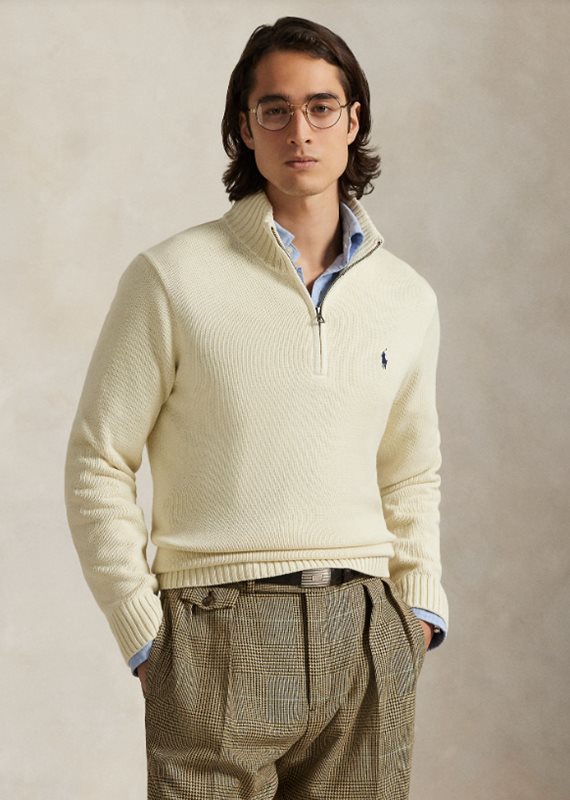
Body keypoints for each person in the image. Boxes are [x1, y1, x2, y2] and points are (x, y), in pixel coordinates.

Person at [65, 16, 448, 800]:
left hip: (367, 631)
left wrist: (415, 617)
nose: (299, 131)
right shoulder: (171, 278)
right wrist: (146, 635)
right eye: (275, 110)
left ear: (353, 120)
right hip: (214, 627)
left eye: (321, 107)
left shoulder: (407, 298)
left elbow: (411, 473)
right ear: (244, 128)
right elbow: (98, 460)